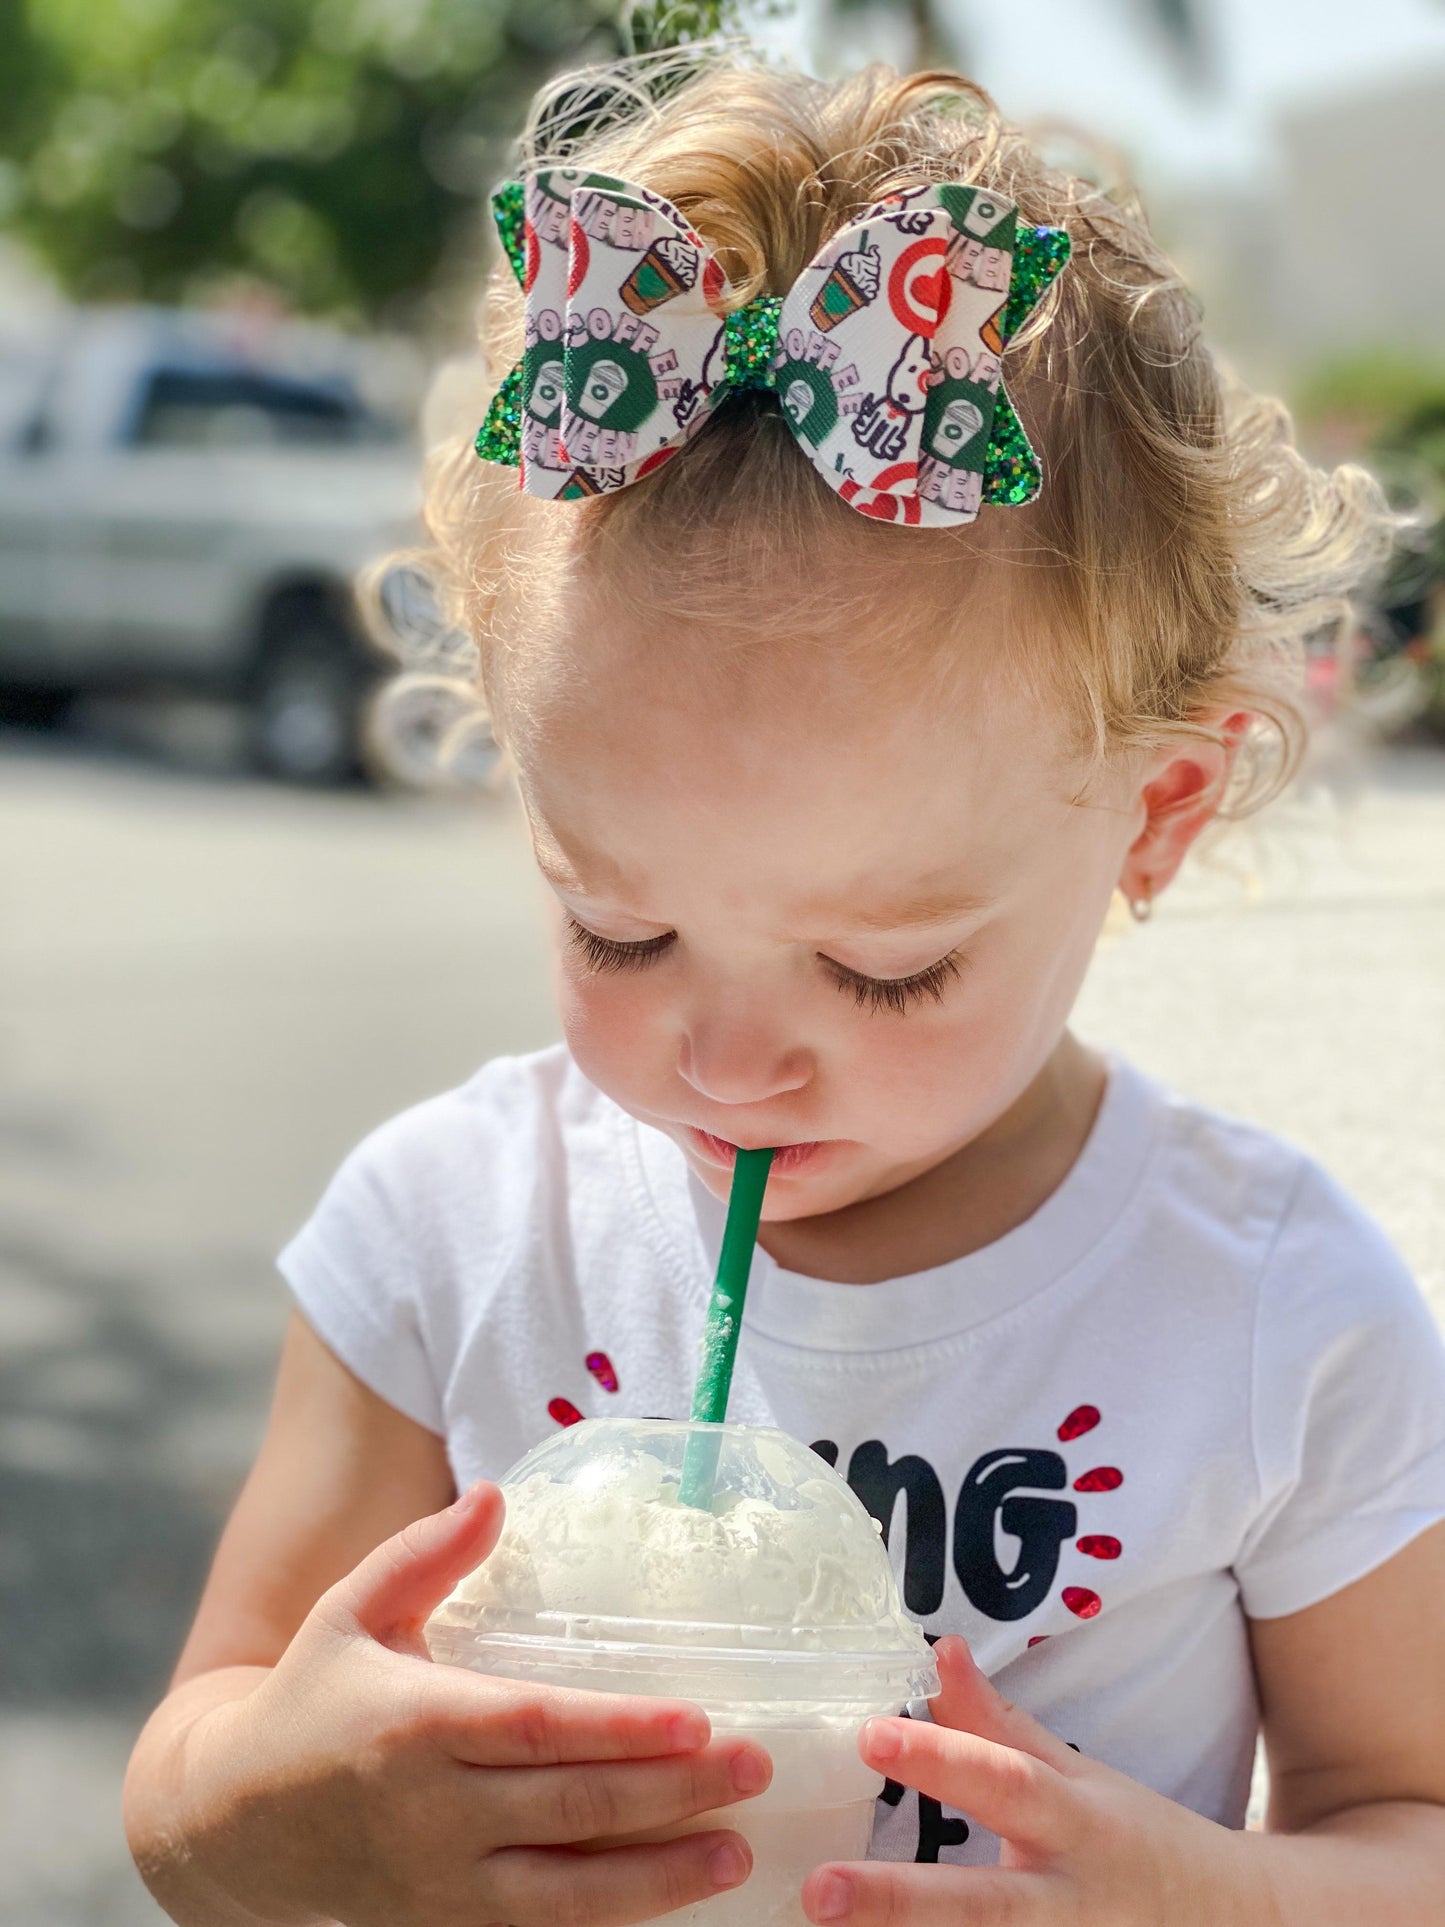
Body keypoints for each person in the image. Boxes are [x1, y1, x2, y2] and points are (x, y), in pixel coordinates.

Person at [124, 49, 1445, 1927]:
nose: (728, 1060)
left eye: (882, 967)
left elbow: (1410, 1823)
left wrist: (1215, 1898)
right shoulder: (448, 1236)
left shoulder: (1271, 1318)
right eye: (619, 931)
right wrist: (302, 1802)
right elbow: (191, 1785)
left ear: (1150, 815)